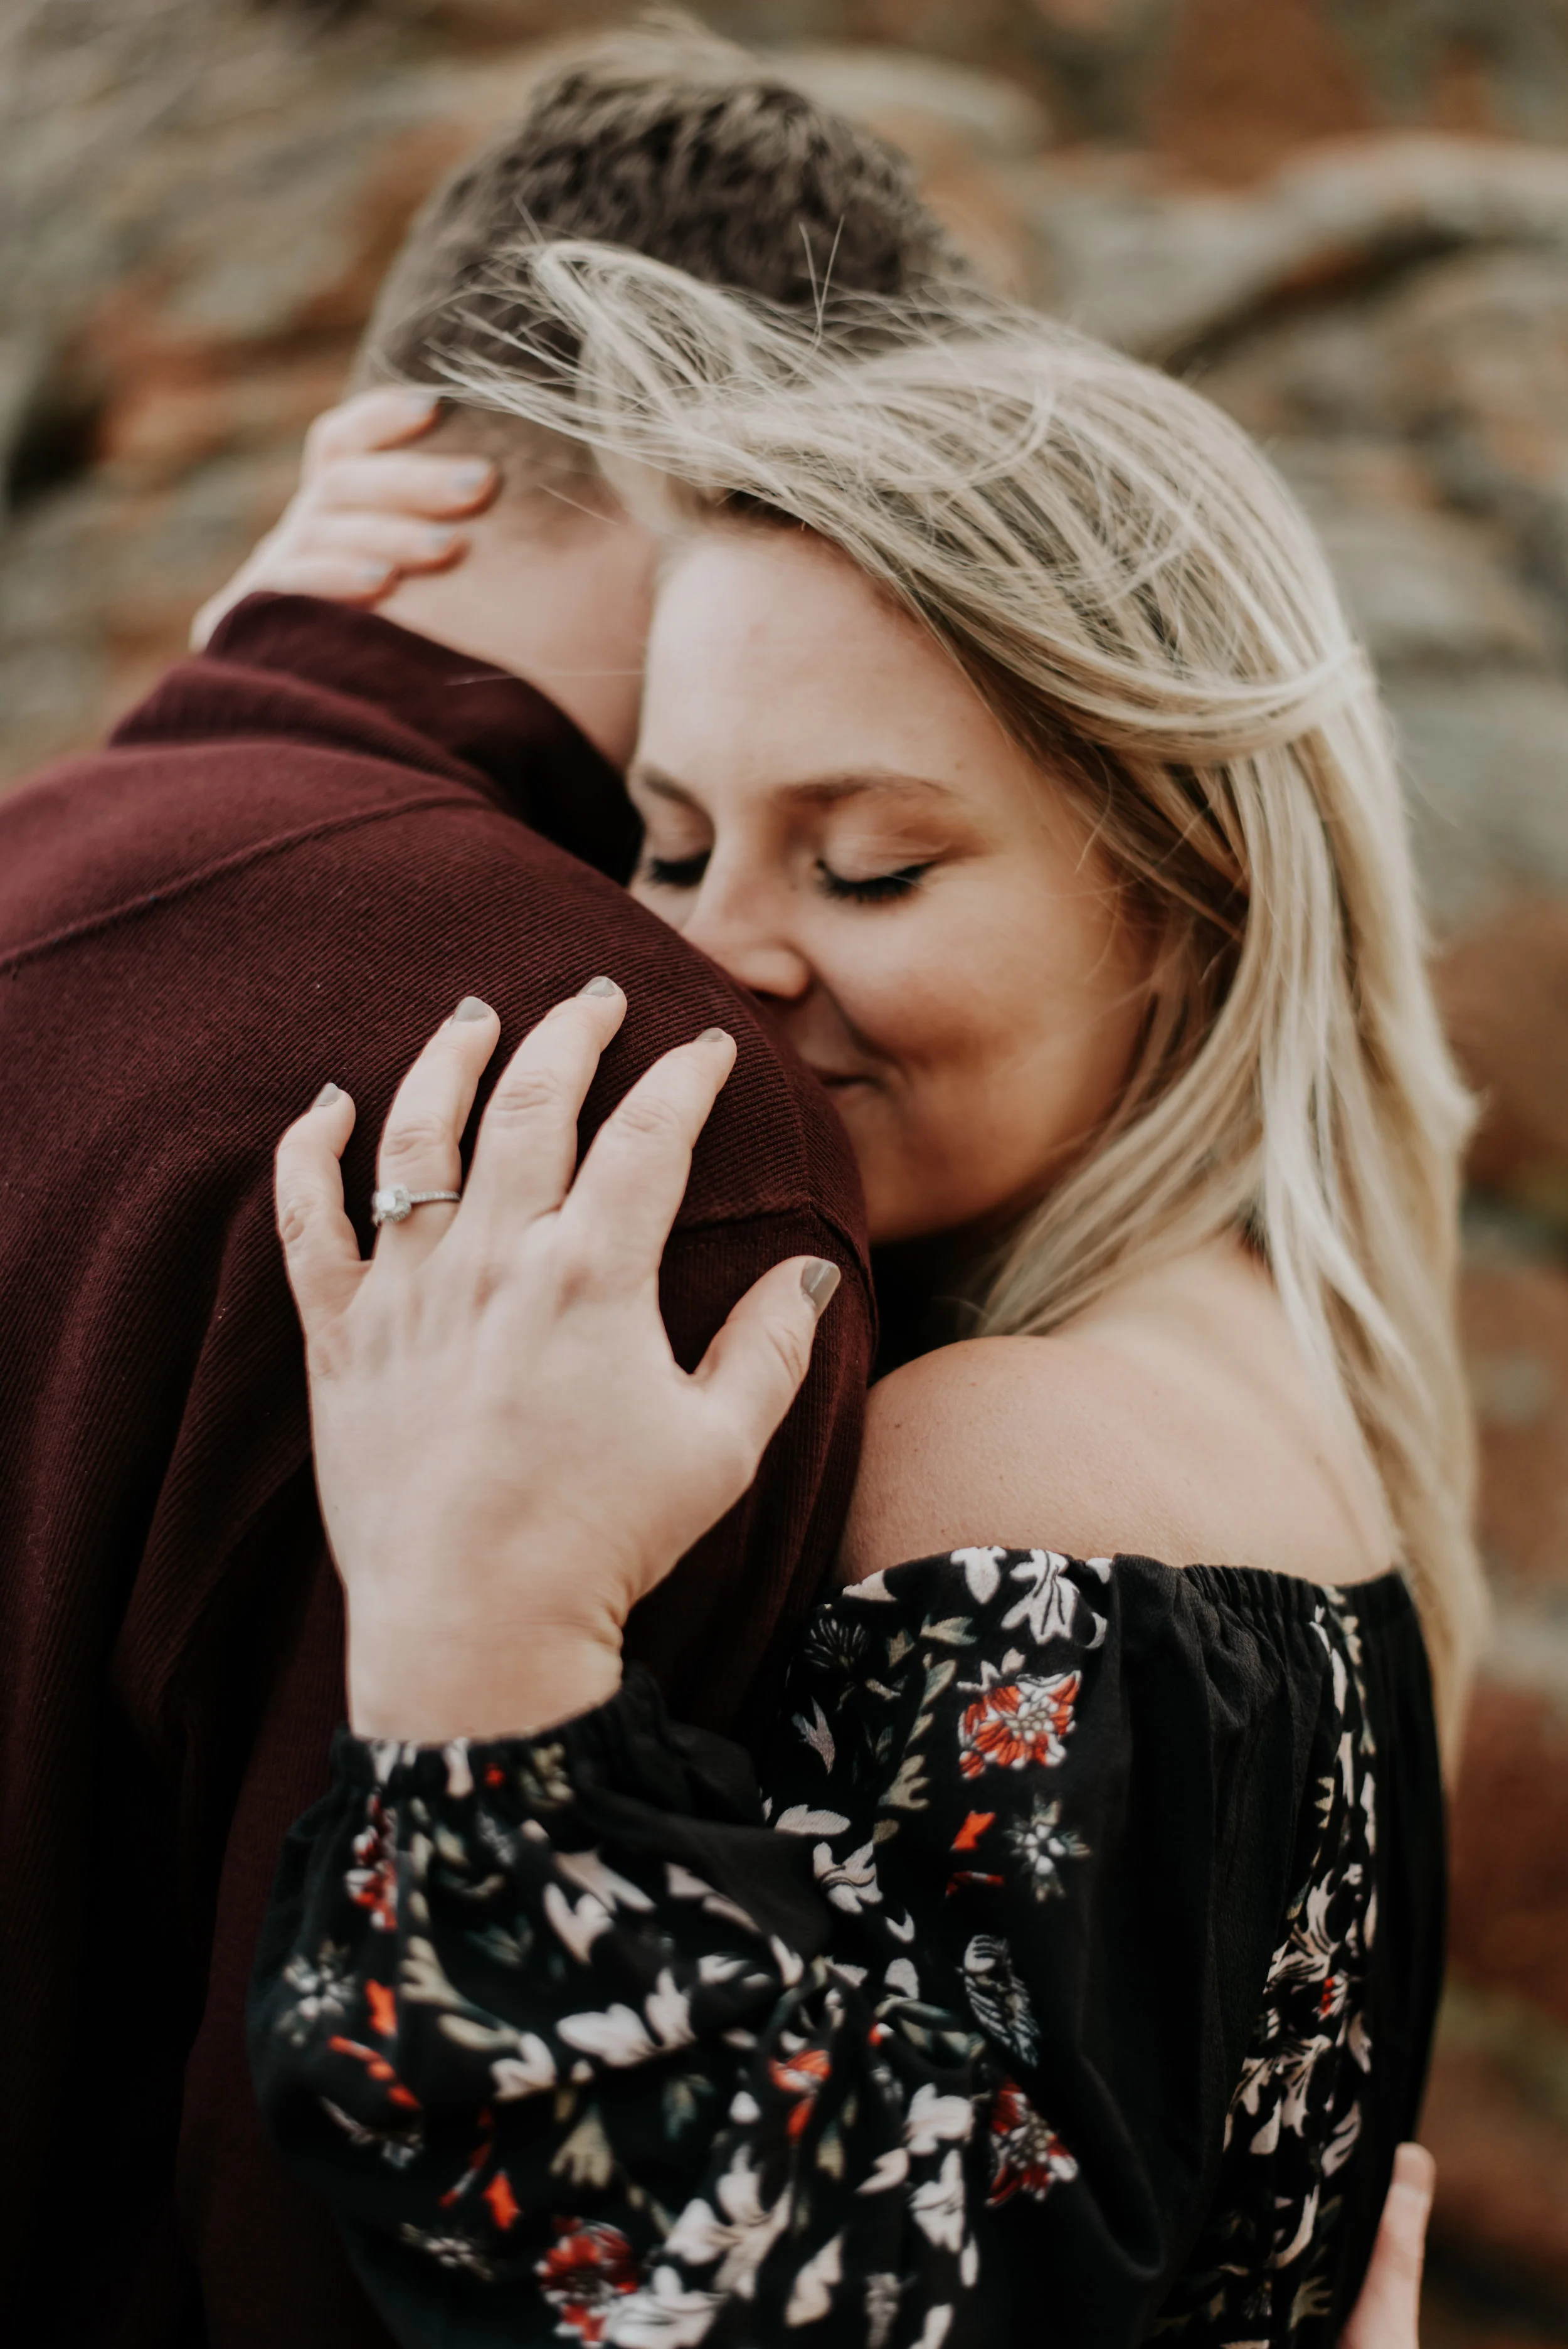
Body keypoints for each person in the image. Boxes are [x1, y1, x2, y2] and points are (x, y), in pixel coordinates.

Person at [247, 252, 1477, 2345]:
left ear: (1189, 905)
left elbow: (818, 2307)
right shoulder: (1248, 1379)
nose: (718, 953)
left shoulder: (1009, 1451)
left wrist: (485, 1649)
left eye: (870, 867)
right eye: (665, 839)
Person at [0, 27, 968, 2344]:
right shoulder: (619, 1123)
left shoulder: (37, 875)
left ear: (394, 425)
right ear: (797, 474)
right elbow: (380, 2215)